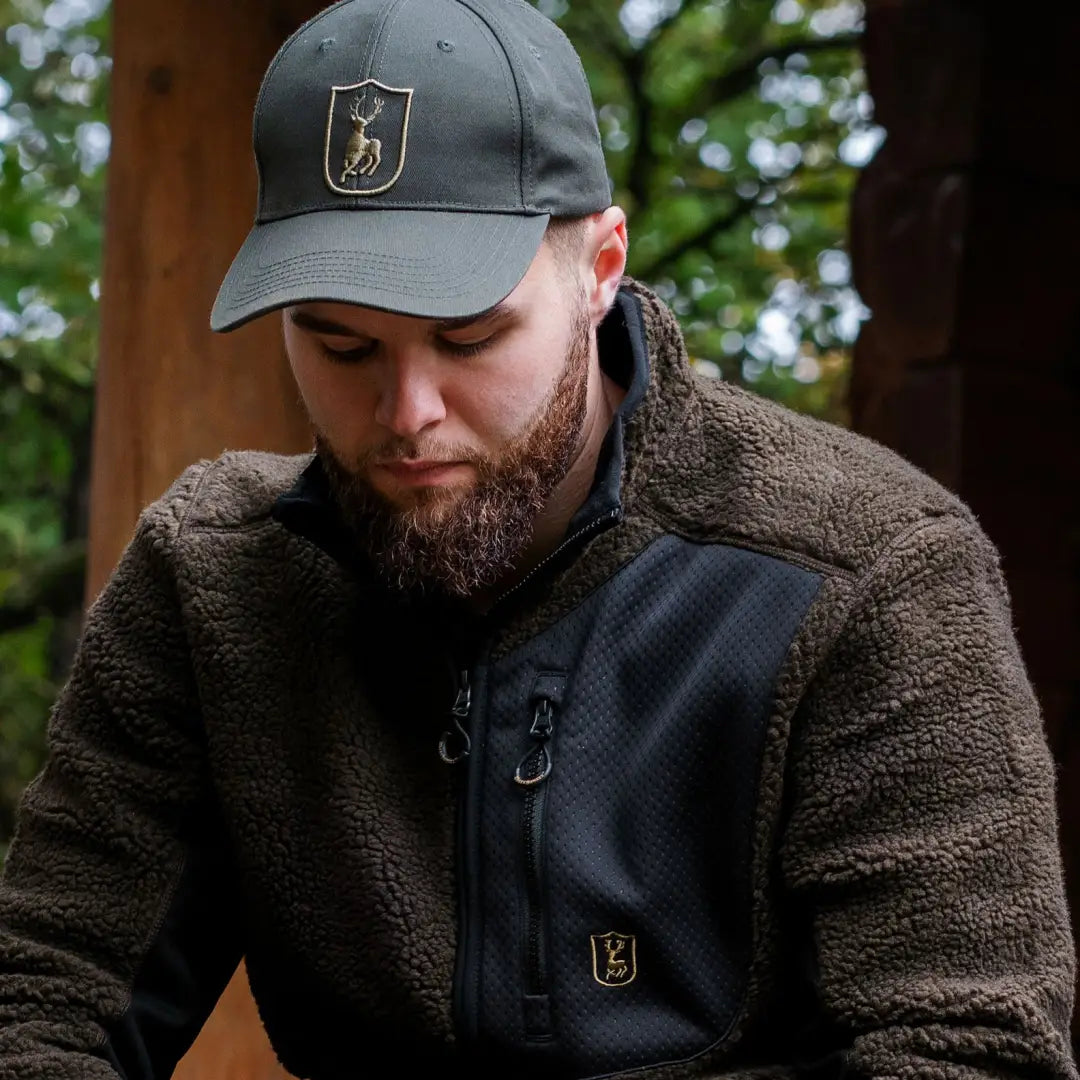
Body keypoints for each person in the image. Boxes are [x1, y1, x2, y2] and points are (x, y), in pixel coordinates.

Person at [0, 0, 1076, 1076]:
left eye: (469, 336)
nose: (407, 410)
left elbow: (968, 1050)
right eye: (340, 344)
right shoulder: (212, 580)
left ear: (600, 267)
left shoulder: (869, 571)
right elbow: (46, 995)